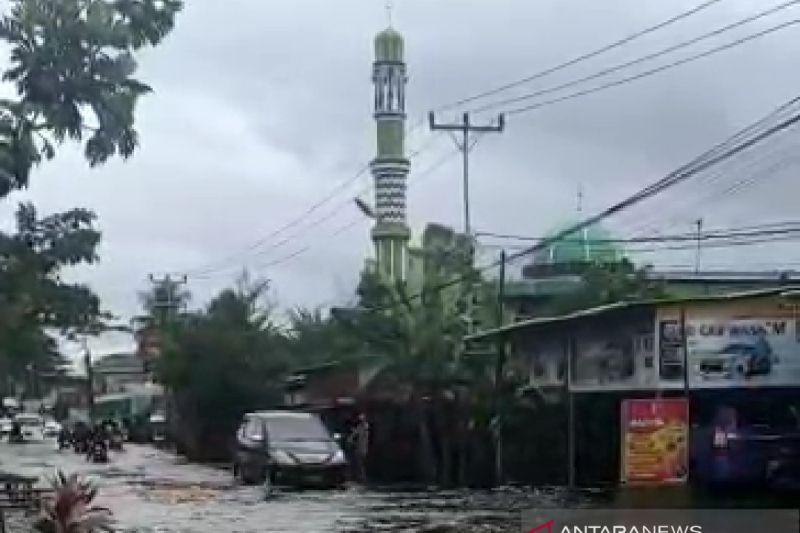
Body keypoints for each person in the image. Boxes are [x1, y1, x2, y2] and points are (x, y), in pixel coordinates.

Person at [348, 413, 370, 484]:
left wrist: (350, 439)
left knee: (359, 464)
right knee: (361, 463)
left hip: (360, 448)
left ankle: (362, 478)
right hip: (363, 448)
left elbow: (354, 435)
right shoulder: (365, 427)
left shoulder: (362, 427)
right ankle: (361, 477)